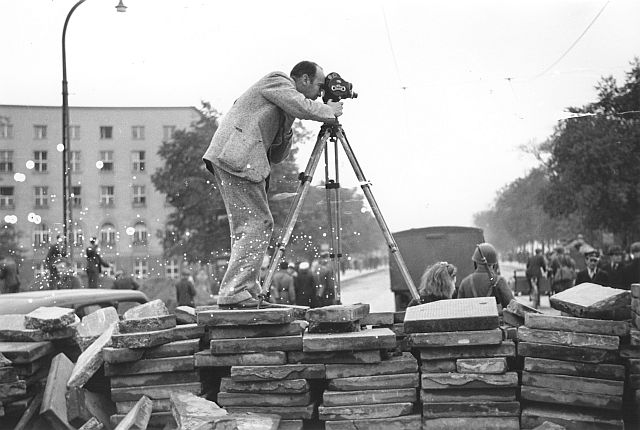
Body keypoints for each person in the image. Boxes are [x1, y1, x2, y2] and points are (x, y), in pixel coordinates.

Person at [202, 61, 343, 309]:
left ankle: (245, 288)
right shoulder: (277, 80)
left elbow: (278, 155)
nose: (321, 92)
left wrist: (288, 124)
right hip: (237, 157)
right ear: (304, 80)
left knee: (248, 225)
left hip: (236, 159)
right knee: (258, 222)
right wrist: (328, 111)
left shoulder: (284, 105)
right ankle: (235, 290)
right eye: (320, 86)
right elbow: (303, 106)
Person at [457, 243, 515, 309]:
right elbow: (513, 307)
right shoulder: (499, 281)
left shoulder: (465, 283)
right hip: (495, 319)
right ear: (494, 263)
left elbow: (459, 309)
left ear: (475, 262)